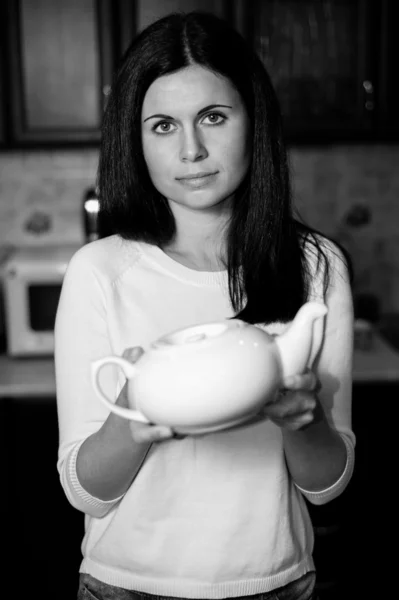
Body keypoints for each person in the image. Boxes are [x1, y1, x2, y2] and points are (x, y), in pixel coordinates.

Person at [55, 10, 355, 600]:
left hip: (277, 586)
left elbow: (328, 487)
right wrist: (135, 410)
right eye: (162, 126)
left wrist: (306, 418)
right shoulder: (100, 271)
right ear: (135, 140)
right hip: (125, 588)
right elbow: (85, 492)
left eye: (213, 117)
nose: (191, 149)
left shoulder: (316, 266)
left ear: (254, 120)